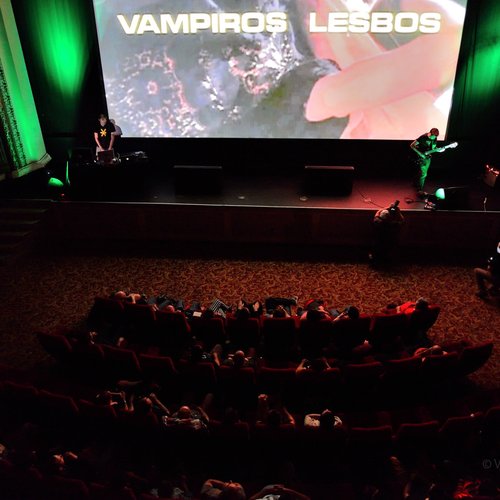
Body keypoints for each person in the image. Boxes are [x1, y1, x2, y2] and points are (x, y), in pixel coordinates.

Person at [369, 200, 405, 265]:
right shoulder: (394, 224)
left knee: (376, 251)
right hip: (388, 246)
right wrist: (398, 212)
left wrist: (386, 208)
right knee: (389, 251)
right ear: (390, 217)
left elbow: (378, 212)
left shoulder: (377, 221)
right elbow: (402, 221)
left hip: (377, 245)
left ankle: (376, 260)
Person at [410, 127, 440, 196]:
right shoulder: (423, 137)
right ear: (430, 133)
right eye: (432, 137)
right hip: (421, 157)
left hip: (428, 157)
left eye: (435, 137)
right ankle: (419, 189)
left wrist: (439, 150)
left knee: (422, 172)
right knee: (424, 174)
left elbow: (433, 148)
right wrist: (420, 154)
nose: (433, 138)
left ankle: (415, 183)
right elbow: (412, 145)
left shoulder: (434, 138)